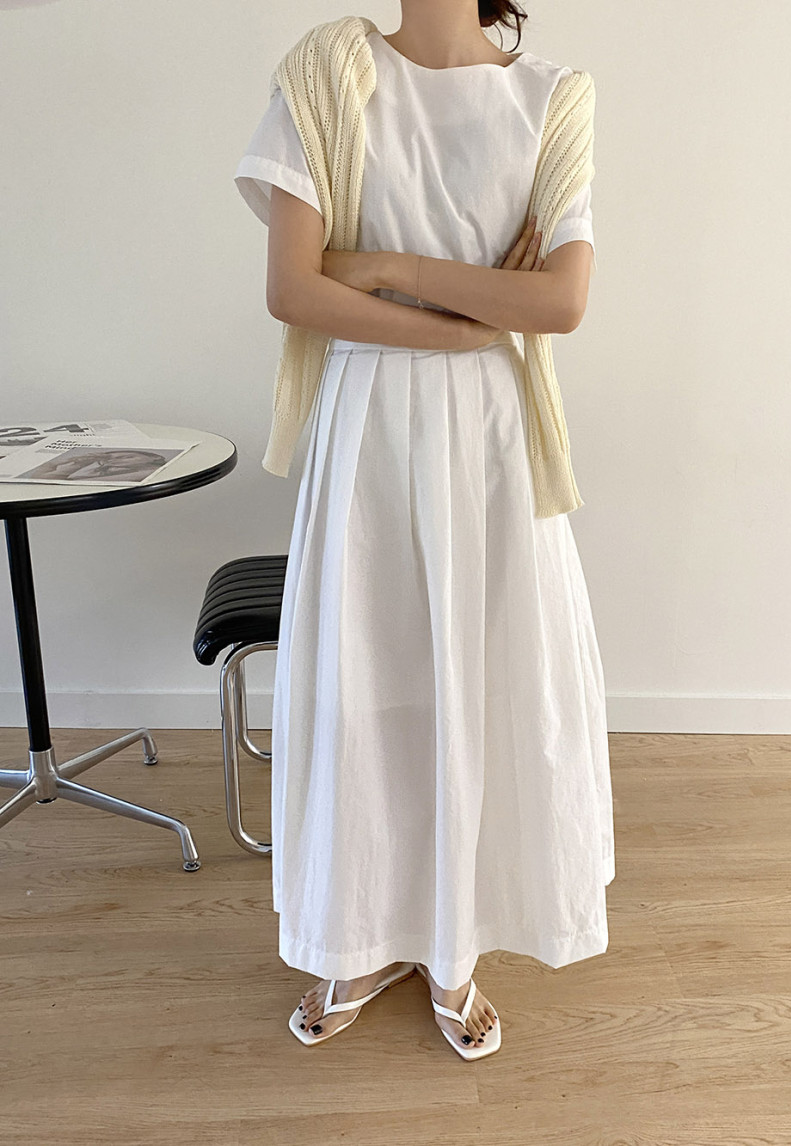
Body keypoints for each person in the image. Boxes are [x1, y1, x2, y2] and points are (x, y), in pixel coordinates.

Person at [234, 0, 615, 1060]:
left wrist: (384, 266)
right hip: (369, 422)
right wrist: (469, 319)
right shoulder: (327, 72)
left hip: (488, 437)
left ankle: (452, 945)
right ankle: (360, 934)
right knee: (364, 678)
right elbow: (292, 288)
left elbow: (563, 301)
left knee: (478, 679)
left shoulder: (552, 96)